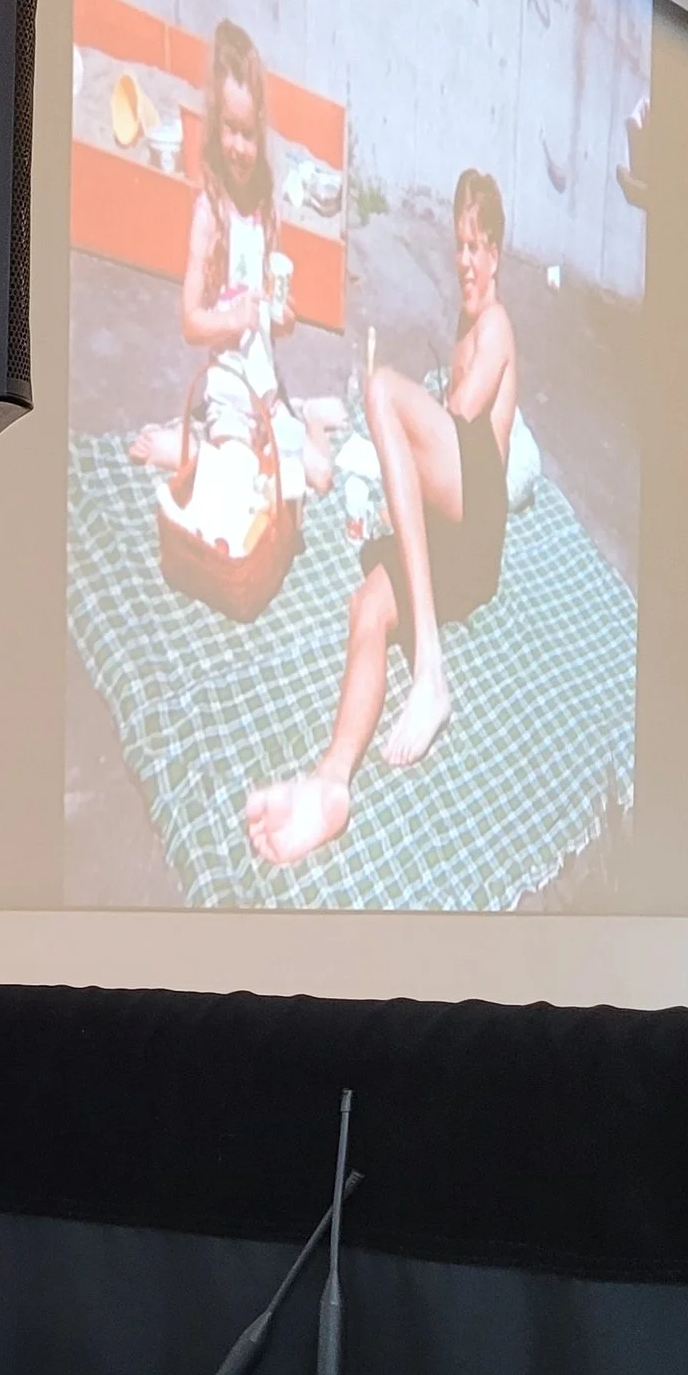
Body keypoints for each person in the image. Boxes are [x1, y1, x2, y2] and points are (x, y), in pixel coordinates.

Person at [244, 170, 518, 865]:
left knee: (381, 391)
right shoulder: (462, 321)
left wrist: (400, 451)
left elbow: (458, 425)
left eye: (479, 246)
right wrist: (391, 488)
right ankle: (331, 783)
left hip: (478, 521)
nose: (466, 261)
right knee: (365, 607)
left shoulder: (496, 327)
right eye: (459, 244)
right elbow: (426, 454)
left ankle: (431, 668)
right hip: (452, 533)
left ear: (498, 254)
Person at [130, 20, 342, 499]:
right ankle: (178, 447)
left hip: (265, 386)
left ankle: (304, 415)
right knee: (240, 476)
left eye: (249, 134)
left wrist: (283, 318)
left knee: (321, 477)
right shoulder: (209, 213)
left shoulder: (266, 209)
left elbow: (272, 316)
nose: (240, 148)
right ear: (215, 123)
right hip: (227, 391)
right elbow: (190, 323)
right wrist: (235, 317)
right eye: (231, 130)